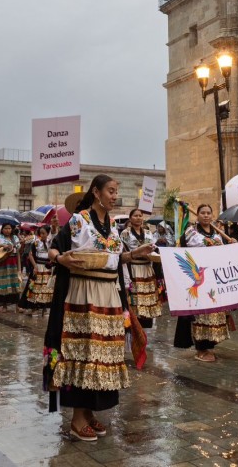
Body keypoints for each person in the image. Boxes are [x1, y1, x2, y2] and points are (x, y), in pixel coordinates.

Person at [44, 175, 152, 441]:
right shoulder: (79, 220)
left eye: (116, 192)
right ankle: (77, 418)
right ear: (96, 192)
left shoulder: (113, 225)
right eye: (111, 191)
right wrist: (62, 259)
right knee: (84, 350)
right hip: (83, 292)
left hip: (109, 294)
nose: (115, 196)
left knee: (103, 353)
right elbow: (54, 249)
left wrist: (134, 255)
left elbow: (113, 259)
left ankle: (91, 412)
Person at [173, 204, 233, 363]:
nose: (206, 215)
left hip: (214, 278)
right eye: (203, 213)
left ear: (212, 216)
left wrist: (233, 245)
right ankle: (200, 348)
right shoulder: (190, 232)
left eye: (208, 213)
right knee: (200, 314)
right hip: (197, 278)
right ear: (197, 215)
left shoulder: (218, 234)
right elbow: (181, 252)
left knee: (212, 313)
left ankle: (209, 345)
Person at [120, 208, 162, 328]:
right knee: (135, 297)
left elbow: (154, 248)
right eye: (135, 215)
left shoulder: (149, 233)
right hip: (133, 267)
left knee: (146, 298)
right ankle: (134, 324)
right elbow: (124, 251)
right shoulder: (125, 233)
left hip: (147, 268)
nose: (138, 218)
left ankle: (144, 325)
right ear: (130, 218)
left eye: (140, 215)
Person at [0, 223, 21, 310]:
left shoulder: (15, 238)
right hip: (2, 262)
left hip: (13, 262)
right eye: (6, 228)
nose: (7, 230)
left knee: (14, 282)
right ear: (2, 229)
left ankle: (17, 305)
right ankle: (4, 305)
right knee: (4, 283)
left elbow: (18, 250)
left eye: (9, 228)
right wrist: (2, 245)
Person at [24, 226, 53, 316]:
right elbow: (30, 255)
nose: (42, 235)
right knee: (35, 287)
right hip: (38, 266)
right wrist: (35, 266)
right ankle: (34, 308)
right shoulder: (36, 242)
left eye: (44, 233)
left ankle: (45, 308)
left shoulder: (51, 242)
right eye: (40, 233)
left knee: (47, 287)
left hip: (47, 267)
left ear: (48, 233)